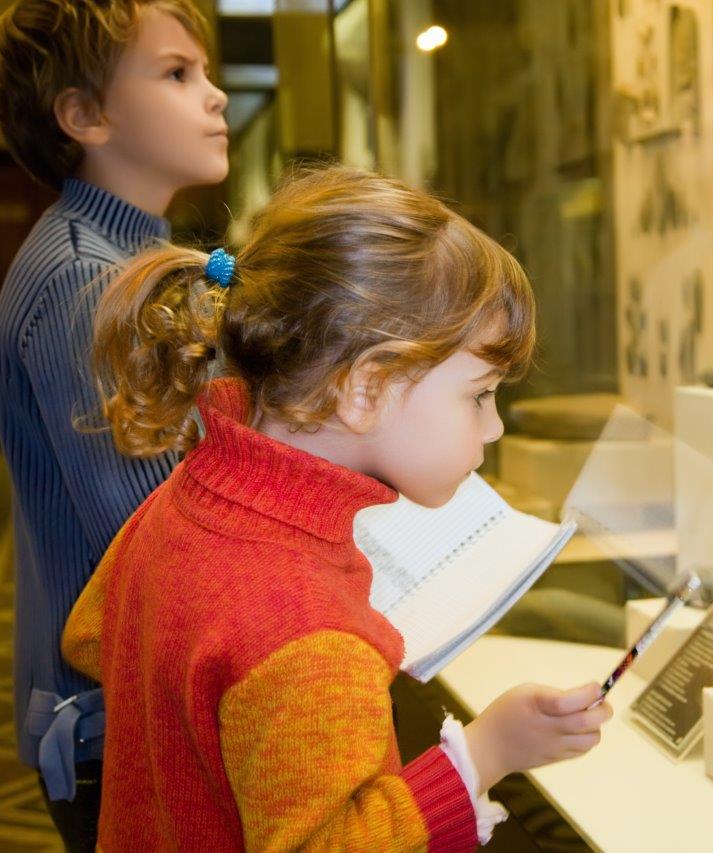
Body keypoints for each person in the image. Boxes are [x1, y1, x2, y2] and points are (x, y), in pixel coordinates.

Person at [61, 165, 612, 850]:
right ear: (365, 387)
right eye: (479, 394)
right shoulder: (309, 630)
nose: (494, 426)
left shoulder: (191, 493)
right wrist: (483, 753)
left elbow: (90, 633)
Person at [0, 0, 228, 845]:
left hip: (133, 703)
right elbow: (161, 537)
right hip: (120, 723)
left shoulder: (127, 262)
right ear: (84, 116)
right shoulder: (87, 284)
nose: (216, 95)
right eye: (176, 73)